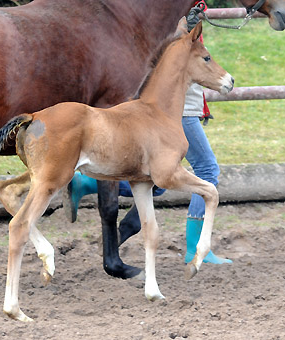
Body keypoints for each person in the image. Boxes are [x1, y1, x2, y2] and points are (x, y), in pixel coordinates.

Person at [62, 7, 232, 265]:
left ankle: (88, 186)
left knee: (159, 178)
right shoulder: (169, 11)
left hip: (181, 102)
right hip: (175, 107)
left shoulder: (182, 9)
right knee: (204, 169)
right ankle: (197, 248)